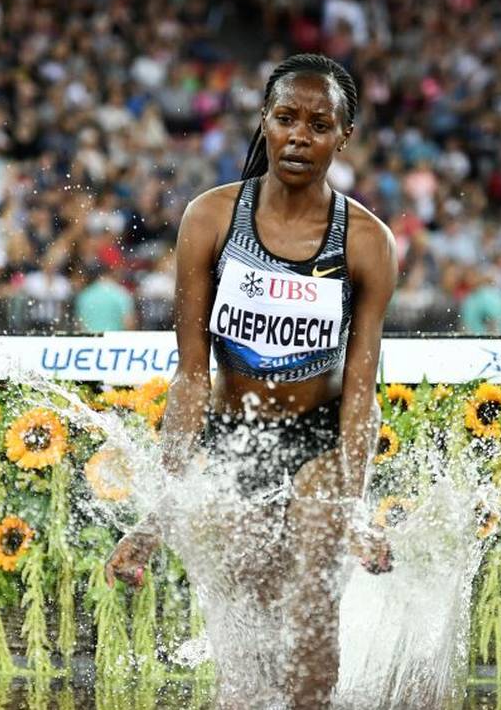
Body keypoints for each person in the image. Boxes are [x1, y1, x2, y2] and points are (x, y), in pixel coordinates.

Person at [103, 53, 397, 708]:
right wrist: (158, 516)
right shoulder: (209, 221)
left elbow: (359, 392)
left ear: (343, 136)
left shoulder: (367, 244)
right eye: (286, 117)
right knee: (255, 610)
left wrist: (354, 508)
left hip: (317, 438)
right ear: (264, 122)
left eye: (319, 124)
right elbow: (190, 378)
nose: (300, 135)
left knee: (313, 592)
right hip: (236, 439)